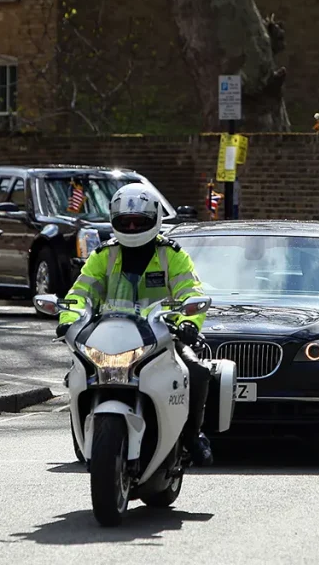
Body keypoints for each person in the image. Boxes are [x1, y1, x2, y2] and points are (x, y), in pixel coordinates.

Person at [56, 183, 214, 465]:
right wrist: (68, 321)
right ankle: (85, 437)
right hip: (110, 337)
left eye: (138, 221)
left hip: (161, 335)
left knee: (198, 371)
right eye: (124, 222)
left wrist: (188, 322)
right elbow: (79, 294)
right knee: (77, 373)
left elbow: (191, 292)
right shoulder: (104, 255)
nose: (130, 227)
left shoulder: (171, 255)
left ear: (153, 219)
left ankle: (191, 436)